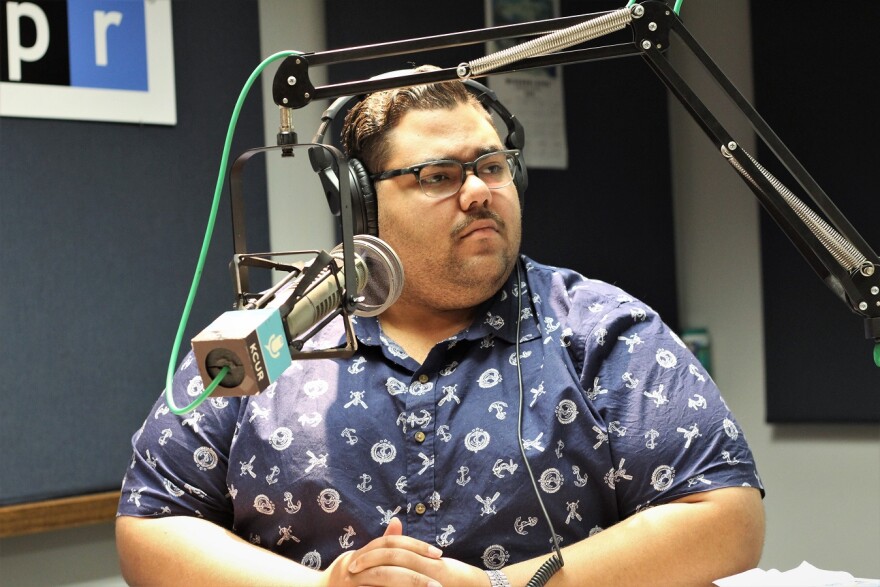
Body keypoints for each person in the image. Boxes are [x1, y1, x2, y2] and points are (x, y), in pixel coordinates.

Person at [115, 68, 765, 586]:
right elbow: (151, 521)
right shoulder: (267, 338)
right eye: (440, 175)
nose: (479, 191)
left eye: (491, 165)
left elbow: (726, 516)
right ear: (357, 202)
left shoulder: (601, 331)